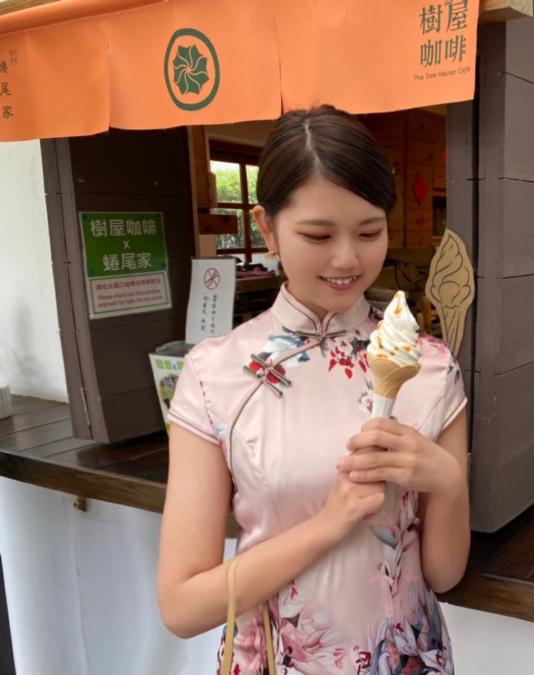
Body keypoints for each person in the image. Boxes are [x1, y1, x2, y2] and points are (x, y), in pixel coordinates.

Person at [156, 105, 470, 674]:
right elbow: (182, 605)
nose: (347, 258)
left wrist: (448, 480)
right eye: (318, 235)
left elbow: (443, 576)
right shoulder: (214, 375)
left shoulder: (429, 367)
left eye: (369, 232)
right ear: (266, 227)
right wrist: (328, 524)